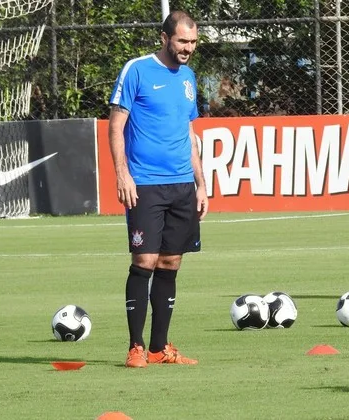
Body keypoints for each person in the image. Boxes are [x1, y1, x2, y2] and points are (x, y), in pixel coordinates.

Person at [108, 10, 209, 368]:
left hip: (182, 185)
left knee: (171, 262)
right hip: (145, 184)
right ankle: (135, 347)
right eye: (182, 41)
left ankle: (159, 348)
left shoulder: (189, 77)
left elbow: (188, 133)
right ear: (164, 37)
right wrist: (123, 175)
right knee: (144, 260)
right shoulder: (136, 70)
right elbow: (116, 126)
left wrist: (200, 184)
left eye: (193, 42)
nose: (188, 49)